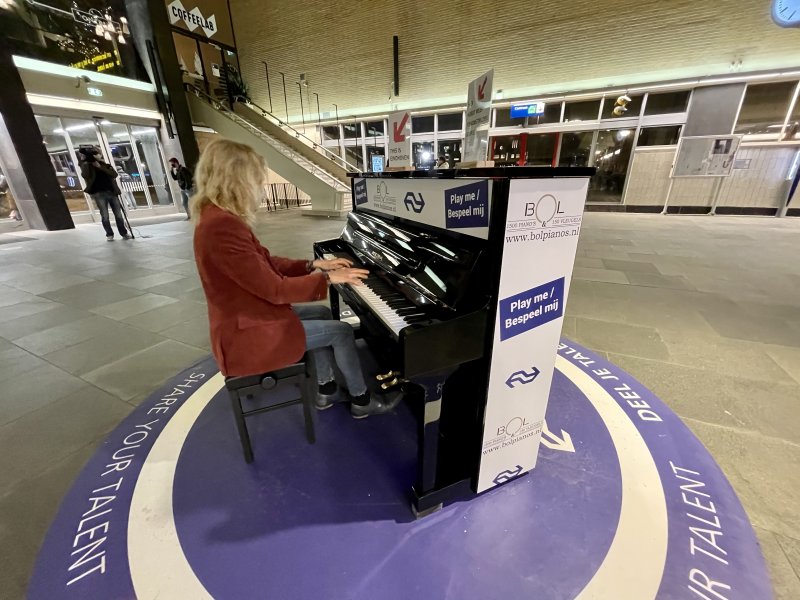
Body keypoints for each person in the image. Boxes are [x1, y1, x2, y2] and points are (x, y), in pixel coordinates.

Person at [192, 138, 400, 418]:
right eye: (256, 179)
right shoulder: (222, 226)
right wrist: (328, 279)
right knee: (342, 332)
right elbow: (275, 290)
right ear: (237, 180)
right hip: (245, 335)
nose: (260, 187)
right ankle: (362, 401)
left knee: (323, 313)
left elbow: (265, 263)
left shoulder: (217, 218)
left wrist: (313, 264)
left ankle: (326, 390)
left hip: (248, 315)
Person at [78, 147, 130, 241]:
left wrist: (100, 167)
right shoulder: (87, 165)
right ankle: (109, 234)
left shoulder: (105, 165)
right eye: (93, 153)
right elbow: (85, 175)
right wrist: (86, 163)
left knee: (118, 215)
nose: (95, 155)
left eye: (96, 153)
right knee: (105, 216)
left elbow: (114, 174)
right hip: (99, 193)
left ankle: (124, 233)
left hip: (112, 192)